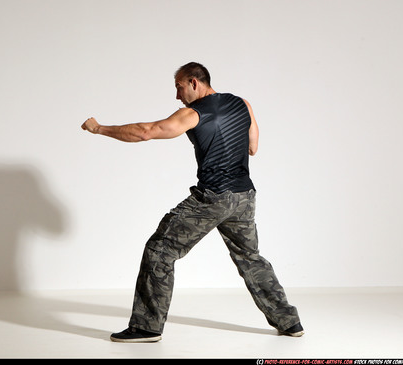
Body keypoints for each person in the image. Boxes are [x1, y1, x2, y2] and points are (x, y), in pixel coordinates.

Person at [81, 62, 303, 343]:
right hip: (244, 196)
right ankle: (289, 322)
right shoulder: (242, 103)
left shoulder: (193, 113)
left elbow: (146, 131)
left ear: (194, 82)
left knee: (160, 250)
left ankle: (146, 327)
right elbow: (252, 147)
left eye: (179, 87)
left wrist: (99, 128)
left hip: (213, 197)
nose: (177, 95)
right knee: (250, 258)